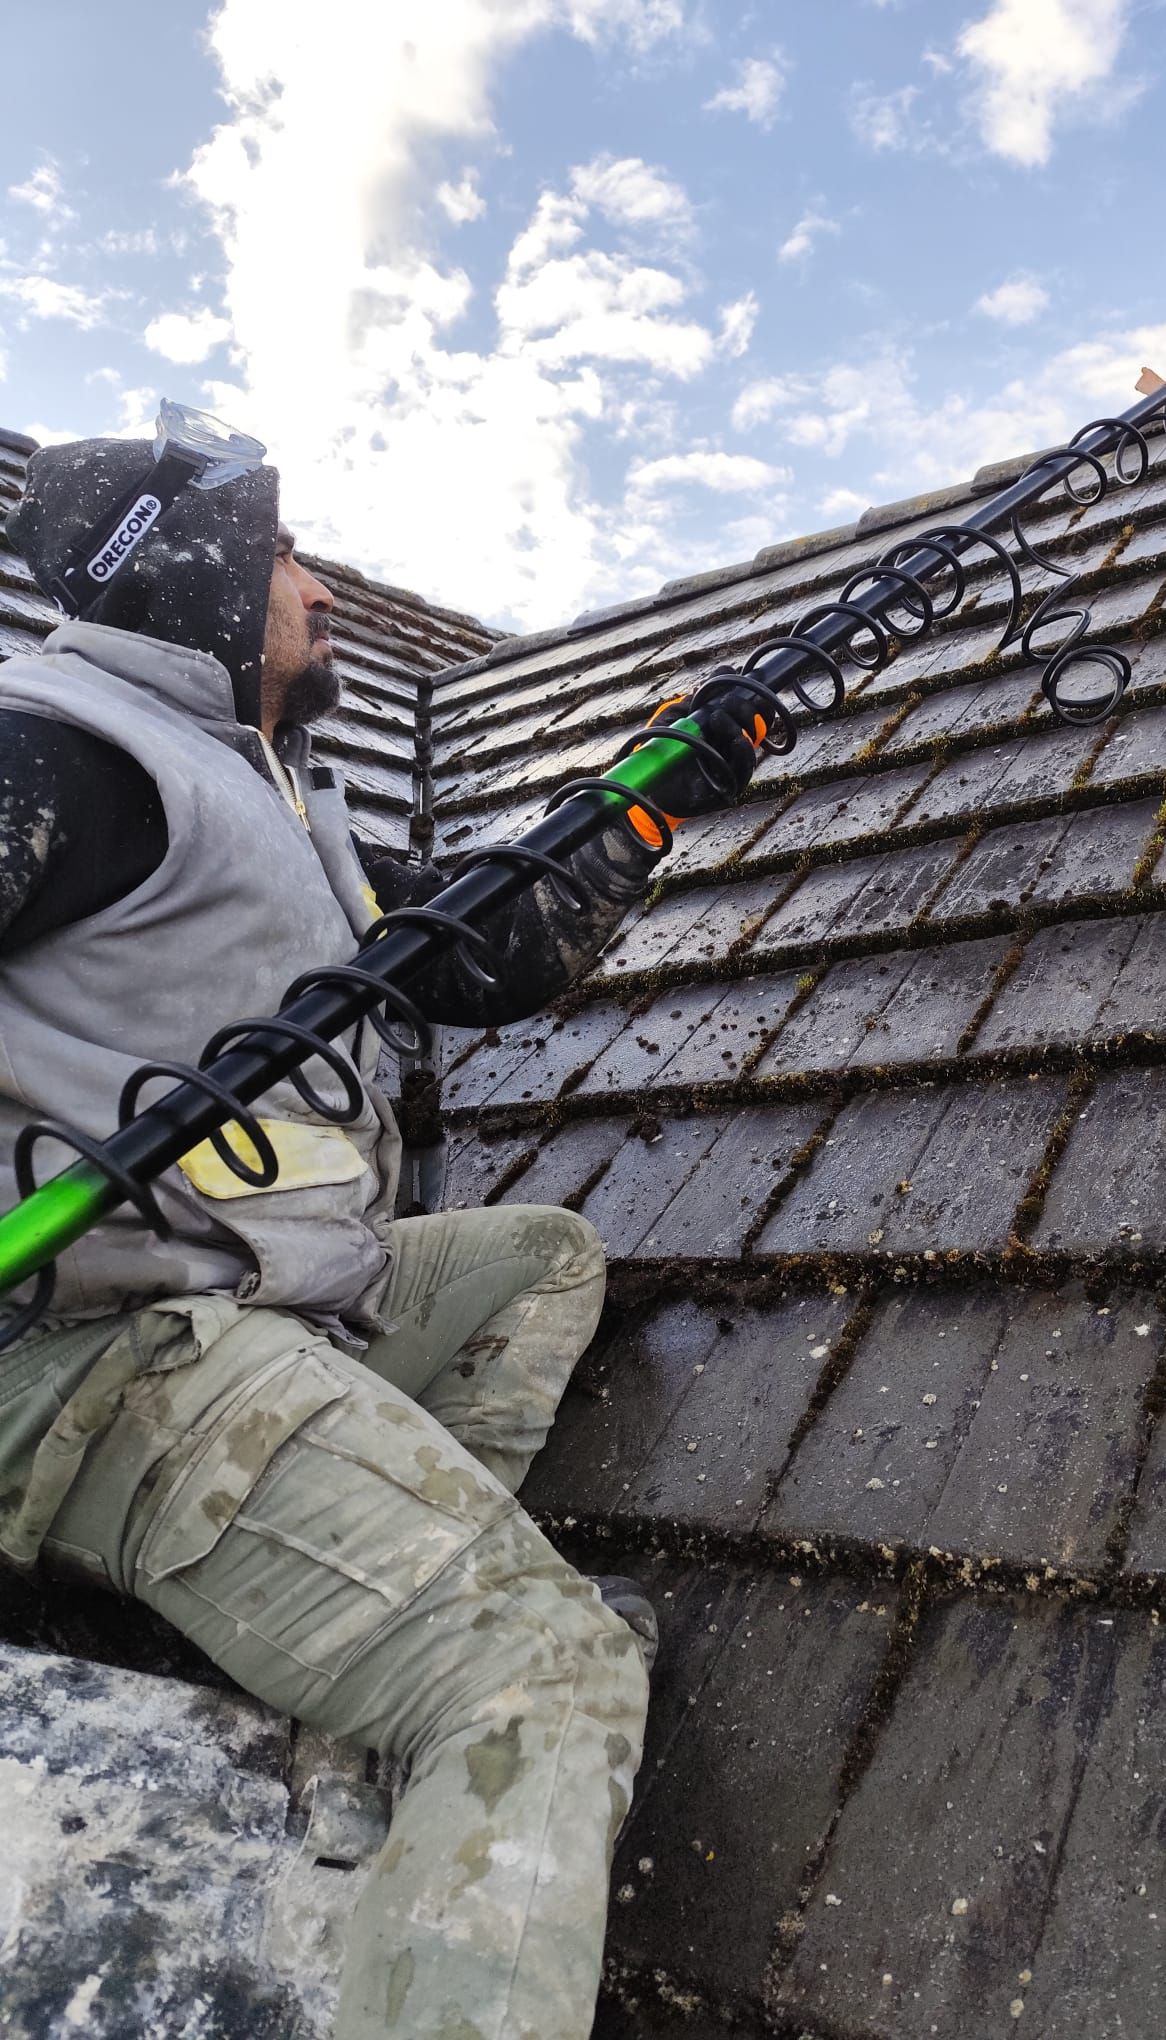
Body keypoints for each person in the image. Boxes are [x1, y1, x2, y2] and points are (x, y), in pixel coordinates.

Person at [0, 421, 760, 2039]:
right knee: (545, 1679)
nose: (318, 584)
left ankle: (351, 1599)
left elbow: (485, 961)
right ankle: (434, 1656)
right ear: (186, 568)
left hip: (258, 1306)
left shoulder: (275, 799)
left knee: (537, 1260)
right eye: (283, 554)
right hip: (92, 1358)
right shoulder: (57, 752)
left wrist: (652, 803)